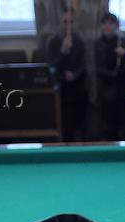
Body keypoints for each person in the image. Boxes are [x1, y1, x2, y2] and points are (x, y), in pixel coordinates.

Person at [46, 8, 87, 141]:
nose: (68, 25)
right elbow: (51, 68)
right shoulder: (53, 42)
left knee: (81, 96)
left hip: (76, 84)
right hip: (59, 84)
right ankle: (61, 137)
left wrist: (74, 74)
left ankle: (78, 136)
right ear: (60, 22)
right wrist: (63, 52)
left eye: (71, 22)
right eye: (65, 22)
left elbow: (82, 65)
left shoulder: (79, 41)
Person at [95, 12, 125, 141]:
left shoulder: (122, 41)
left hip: (121, 86)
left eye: (110, 23)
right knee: (108, 118)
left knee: (121, 119)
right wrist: (112, 74)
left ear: (116, 26)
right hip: (106, 85)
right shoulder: (98, 43)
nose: (107, 26)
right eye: (104, 23)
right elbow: (99, 67)